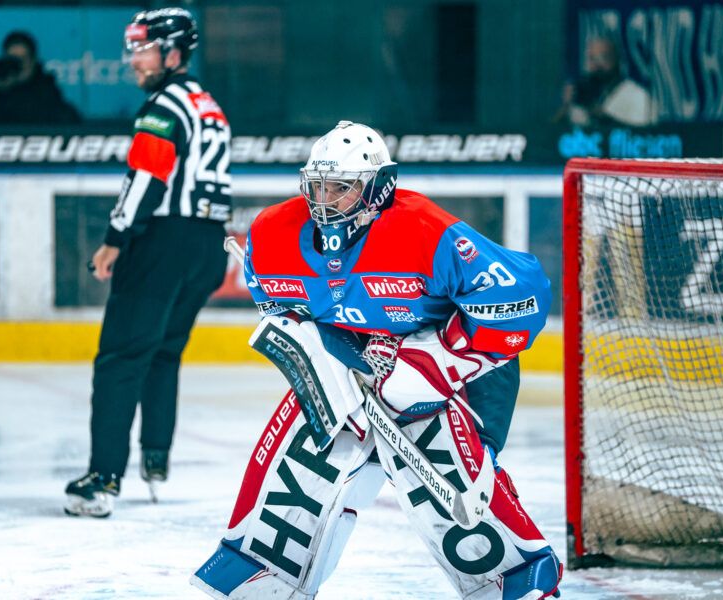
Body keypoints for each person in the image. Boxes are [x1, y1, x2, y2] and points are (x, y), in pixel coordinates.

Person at [190, 121, 562, 599]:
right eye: (317, 186)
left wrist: (436, 359)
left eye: (340, 189)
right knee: (309, 445)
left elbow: (522, 295)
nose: (323, 200)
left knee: (452, 485)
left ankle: (511, 577)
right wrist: (331, 359)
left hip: (459, 373)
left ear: (377, 190)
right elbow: (289, 315)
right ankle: (262, 570)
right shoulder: (274, 234)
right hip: (357, 364)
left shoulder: (426, 232)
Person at [64, 7, 232, 518]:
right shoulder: (208, 105)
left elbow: (146, 177)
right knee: (163, 352)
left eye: (142, 49)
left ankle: (102, 479)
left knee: (120, 358)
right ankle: (155, 458)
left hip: (164, 241)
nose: (133, 60)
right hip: (207, 247)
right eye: (132, 49)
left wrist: (115, 237)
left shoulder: (164, 106)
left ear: (174, 53)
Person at [0, 30, 80, 125]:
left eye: (22, 60)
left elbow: (37, 116)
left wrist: (11, 91)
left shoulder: (47, 90)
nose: (17, 65)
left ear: (32, 61)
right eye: (12, 60)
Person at [554, 37, 655, 128]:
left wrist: (601, 117)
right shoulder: (582, 94)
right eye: (592, 59)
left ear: (619, 60)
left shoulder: (638, 96)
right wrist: (566, 106)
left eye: (604, 58)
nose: (597, 65)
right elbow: (551, 135)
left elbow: (644, 137)